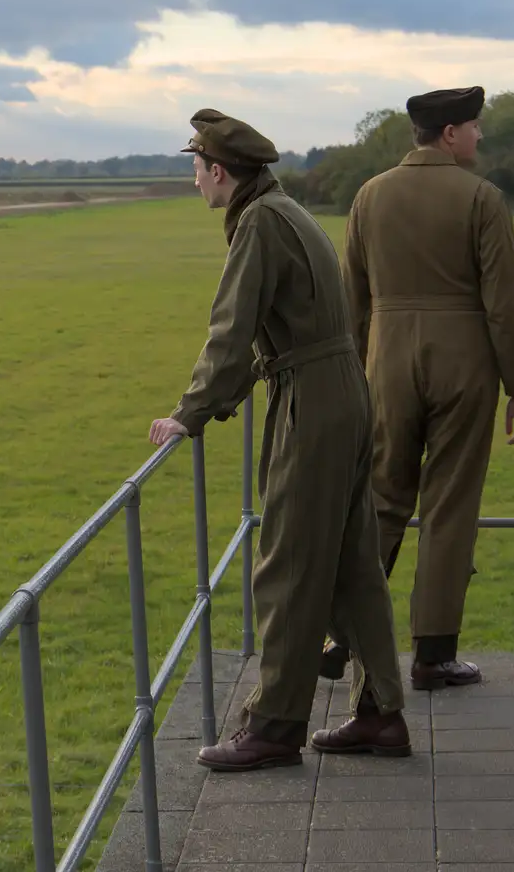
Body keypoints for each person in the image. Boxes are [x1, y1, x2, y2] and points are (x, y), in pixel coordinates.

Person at [148, 108, 410, 771]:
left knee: (288, 564)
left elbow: (231, 329)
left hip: (314, 400)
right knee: (352, 568)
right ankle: (381, 714)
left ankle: (274, 726)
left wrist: (191, 412)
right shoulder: (286, 211)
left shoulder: (260, 223)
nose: (195, 182)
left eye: (197, 170)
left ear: (217, 170)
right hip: (343, 388)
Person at [320, 86, 514, 690]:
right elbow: (503, 305)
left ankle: (341, 635)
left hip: (386, 358)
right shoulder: (483, 199)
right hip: (464, 363)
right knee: (449, 506)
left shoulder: (369, 195)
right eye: (473, 126)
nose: (479, 136)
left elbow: (352, 299)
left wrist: (359, 371)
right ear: (449, 134)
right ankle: (434, 656)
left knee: (382, 498)